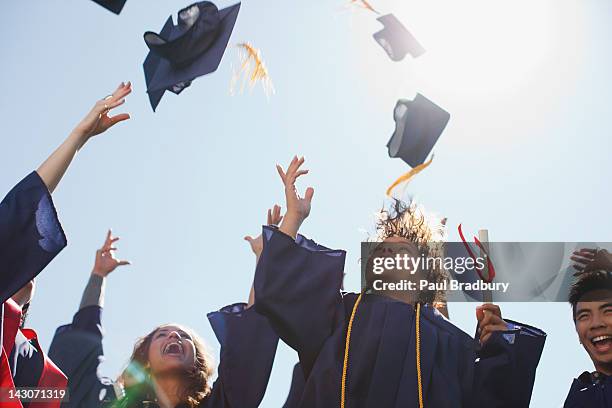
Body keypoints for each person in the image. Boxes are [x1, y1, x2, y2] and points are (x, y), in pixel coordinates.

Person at [254, 156, 547, 407]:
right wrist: (293, 218)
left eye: (403, 251)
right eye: (382, 249)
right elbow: (281, 292)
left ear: (424, 274)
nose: (390, 254)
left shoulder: (451, 343)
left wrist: (499, 346)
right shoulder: (341, 314)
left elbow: (494, 400)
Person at [49, 212, 281, 408]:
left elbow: (251, 339)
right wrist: (98, 276)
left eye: (184, 336)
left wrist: (263, 258)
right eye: (162, 334)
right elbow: (81, 348)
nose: (173, 335)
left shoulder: (220, 403)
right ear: (145, 361)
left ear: (197, 362)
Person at [0, 82, 132, 407]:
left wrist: (79, 137)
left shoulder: (28, 373)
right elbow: (18, 212)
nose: (27, 278)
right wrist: (77, 137)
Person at [564, 248, 612, 407]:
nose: (597, 323)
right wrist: (504, 347)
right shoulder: (579, 400)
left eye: (608, 311)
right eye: (584, 316)